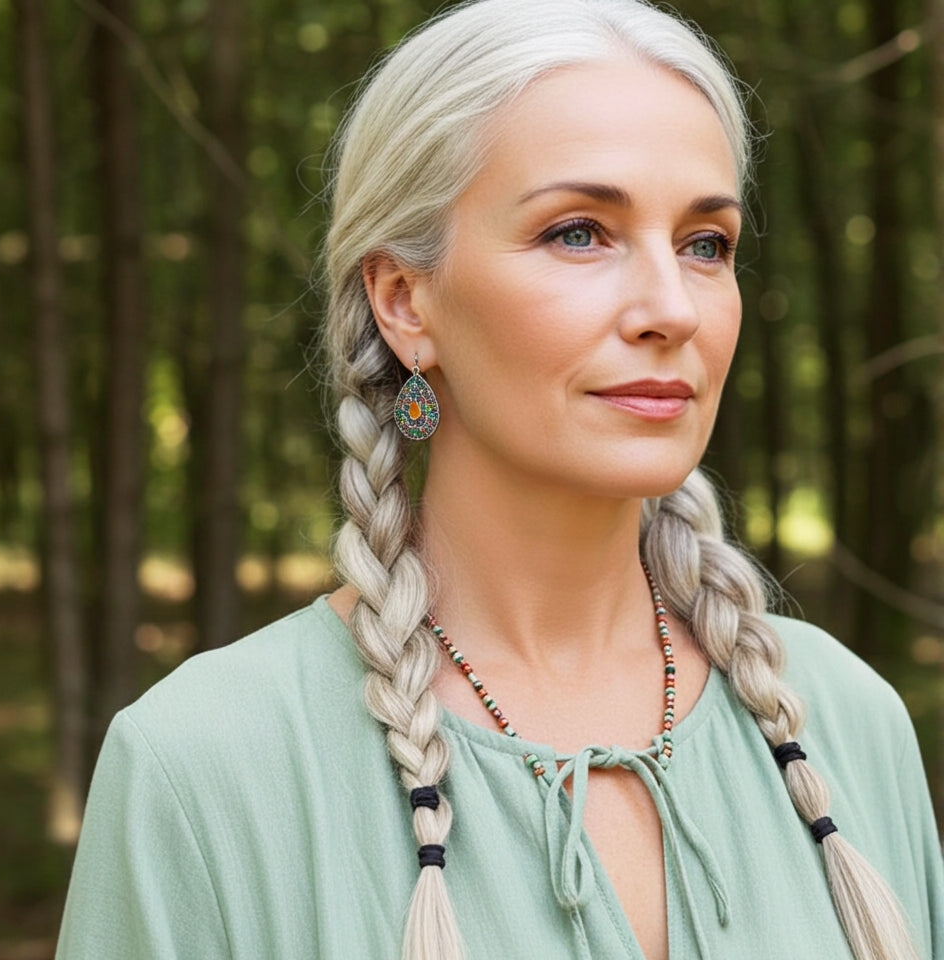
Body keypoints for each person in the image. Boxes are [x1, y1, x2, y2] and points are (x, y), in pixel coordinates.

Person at [56, 1, 943, 958]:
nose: (669, 307)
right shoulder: (206, 769)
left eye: (705, 244)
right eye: (578, 232)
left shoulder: (847, 722)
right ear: (404, 299)